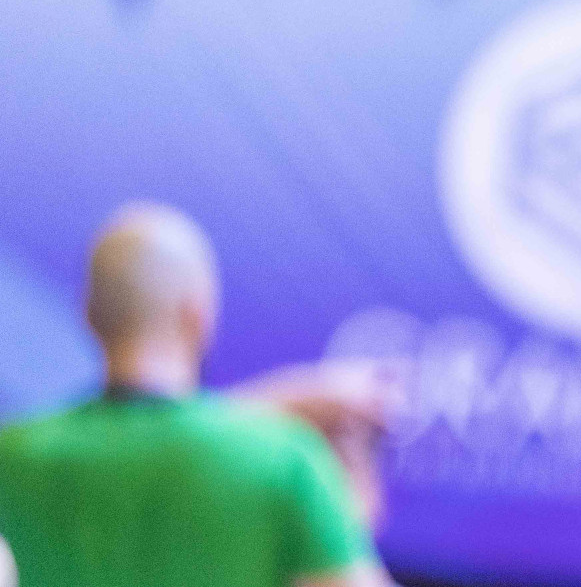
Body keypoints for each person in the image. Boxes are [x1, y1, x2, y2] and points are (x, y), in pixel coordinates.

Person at [0, 202, 390, 587]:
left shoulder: (10, 456)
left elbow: (148, 429)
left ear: (88, 313)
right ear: (198, 313)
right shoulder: (285, 461)